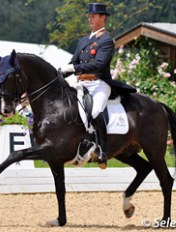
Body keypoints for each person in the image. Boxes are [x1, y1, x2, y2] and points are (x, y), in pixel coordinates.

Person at [60, 2, 115, 169]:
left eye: (93, 16)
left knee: (96, 111)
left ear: (102, 18)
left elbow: (98, 65)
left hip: (99, 83)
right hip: (81, 82)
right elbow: (74, 61)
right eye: (89, 16)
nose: (89, 18)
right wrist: (64, 72)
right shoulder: (84, 40)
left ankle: (102, 151)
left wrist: (74, 68)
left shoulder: (106, 41)